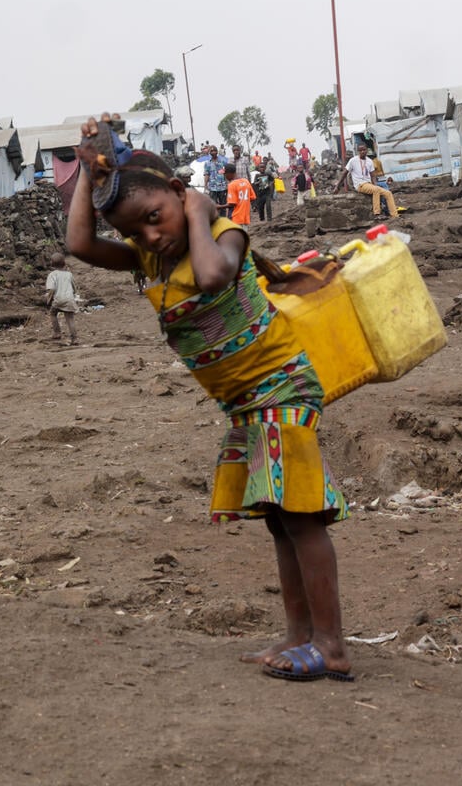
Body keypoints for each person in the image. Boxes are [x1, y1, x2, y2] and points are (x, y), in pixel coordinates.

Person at [65, 115, 353, 681]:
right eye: (137, 232)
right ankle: (300, 635)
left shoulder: (224, 233)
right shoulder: (151, 259)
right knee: (279, 517)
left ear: (179, 193)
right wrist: (88, 170)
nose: (151, 237)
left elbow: (217, 275)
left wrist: (197, 210)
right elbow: (77, 243)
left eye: (156, 218)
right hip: (248, 403)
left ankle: (332, 646)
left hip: (281, 386)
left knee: (302, 516)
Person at [337, 144, 399, 220]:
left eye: (364, 150)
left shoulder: (369, 161)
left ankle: (395, 215)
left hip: (369, 184)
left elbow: (373, 175)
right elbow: (344, 173)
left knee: (388, 193)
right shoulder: (353, 160)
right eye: (360, 150)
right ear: (358, 151)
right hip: (360, 185)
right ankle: (377, 214)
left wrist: (375, 184)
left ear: (367, 150)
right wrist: (337, 186)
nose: (362, 152)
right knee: (375, 190)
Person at [44, 252, 79, 344]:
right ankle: (74, 338)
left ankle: (57, 333)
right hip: (69, 299)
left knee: (52, 313)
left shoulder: (52, 275)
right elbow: (74, 288)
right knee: (70, 319)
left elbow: (51, 289)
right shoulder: (69, 274)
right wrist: (73, 294)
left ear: (51, 264)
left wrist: (49, 299)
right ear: (64, 263)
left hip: (58, 299)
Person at [204, 149, 229, 217]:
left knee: (223, 205)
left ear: (217, 152)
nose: (213, 152)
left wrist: (227, 184)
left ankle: (223, 219)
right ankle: (216, 219)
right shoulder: (207, 163)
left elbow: (225, 173)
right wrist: (205, 185)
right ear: (210, 153)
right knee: (213, 204)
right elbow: (207, 174)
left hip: (222, 186)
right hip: (212, 187)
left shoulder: (223, 161)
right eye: (211, 151)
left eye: (215, 151)